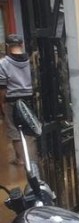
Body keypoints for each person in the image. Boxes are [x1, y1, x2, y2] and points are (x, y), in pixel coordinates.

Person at [0, 34, 33, 166]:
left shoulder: (3, 63)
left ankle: (21, 159)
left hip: (12, 100)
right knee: (28, 126)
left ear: (7, 46)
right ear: (21, 45)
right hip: (28, 99)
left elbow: (2, 87)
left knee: (14, 130)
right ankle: (31, 156)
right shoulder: (31, 61)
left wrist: (2, 102)